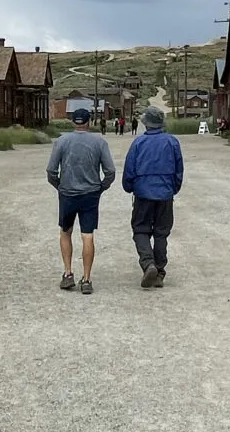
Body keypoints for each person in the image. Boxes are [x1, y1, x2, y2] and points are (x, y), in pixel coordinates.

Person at [46, 107, 115, 293]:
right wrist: (101, 187)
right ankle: (87, 279)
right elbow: (110, 172)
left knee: (65, 232)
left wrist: (60, 186)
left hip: (67, 193)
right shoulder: (99, 142)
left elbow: (51, 170)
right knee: (87, 235)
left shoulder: (61, 141)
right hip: (90, 193)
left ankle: (68, 273)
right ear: (89, 121)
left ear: (72, 122)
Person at [122, 106, 185, 289]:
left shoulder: (138, 143)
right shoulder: (172, 142)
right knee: (161, 232)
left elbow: (129, 169)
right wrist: (173, 188)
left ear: (146, 124)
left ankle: (148, 263)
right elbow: (179, 170)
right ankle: (159, 270)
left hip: (142, 193)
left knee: (141, 229)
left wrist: (129, 187)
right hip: (165, 193)